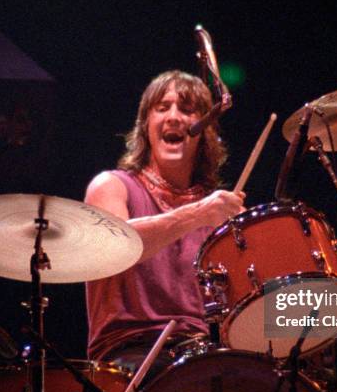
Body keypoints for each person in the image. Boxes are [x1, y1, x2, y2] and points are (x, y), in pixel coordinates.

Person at [84, 70, 245, 372]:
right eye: (162, 108)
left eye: (187, 110)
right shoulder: (111, 185)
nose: (173, 117)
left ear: (204, 130)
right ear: (145, 126)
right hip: (129, 354)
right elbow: (119, 246)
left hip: (198, 353)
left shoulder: (216, 210)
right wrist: (197, 213)